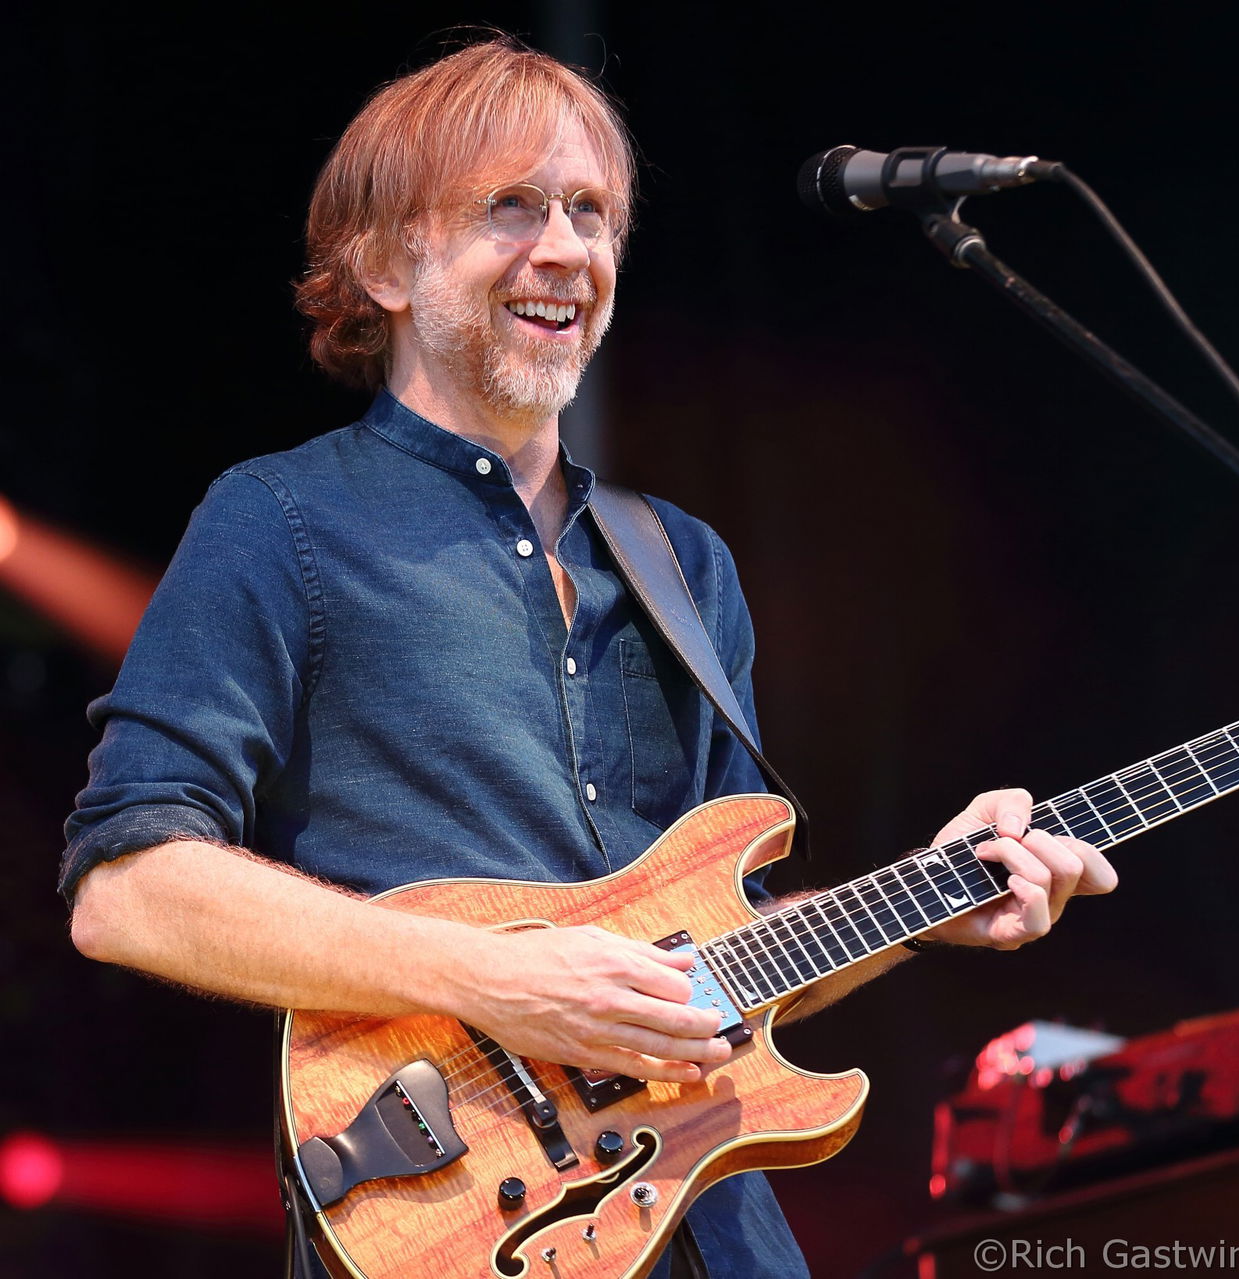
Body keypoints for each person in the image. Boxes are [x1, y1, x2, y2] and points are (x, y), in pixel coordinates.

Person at [61, 36, 1115, 1278]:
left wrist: (923, 906)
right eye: (511, 207)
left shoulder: (685, 563)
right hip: (457, 1213)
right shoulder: (280, 520)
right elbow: (128, 889)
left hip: (715, 1229)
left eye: (591, 212)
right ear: (385, 264)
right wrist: (494, 981)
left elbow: (727, 955)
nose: (565, 248)